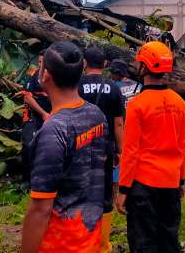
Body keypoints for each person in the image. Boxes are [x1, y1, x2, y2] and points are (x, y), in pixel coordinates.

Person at [21, 41, 107, 253]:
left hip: (61, 244)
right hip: (89, 237)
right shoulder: (96, 114)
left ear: (45, 75)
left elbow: (41, 208)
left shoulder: (54, 130)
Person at [116, 41, 185, 253]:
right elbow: (183, 145)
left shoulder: (137, 105)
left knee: (143, 241)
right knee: (168, 239)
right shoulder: (179, 103)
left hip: (143, 185)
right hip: (171, 181)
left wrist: (123, 189)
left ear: (145, 67)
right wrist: (181, 180)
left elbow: (130, 150)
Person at [78, 46, 124, 253]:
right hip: (104, 149)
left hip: (79, 148)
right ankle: (102, 245)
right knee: (105, 193)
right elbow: (118, 123)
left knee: (78, 191)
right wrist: (120, 150)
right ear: (105, 64)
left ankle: (80, 239)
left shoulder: (76, 85)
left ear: (84, 63)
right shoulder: (113, 88)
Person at [20, 50, 52, 186]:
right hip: (33, 117)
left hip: (52, 118)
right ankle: (27, 182)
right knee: (29, 146)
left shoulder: (56, 76)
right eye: (39, 62)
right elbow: (27, 97)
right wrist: (44, 113)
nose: (40, 65)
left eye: (43, 62)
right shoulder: (33, 75)